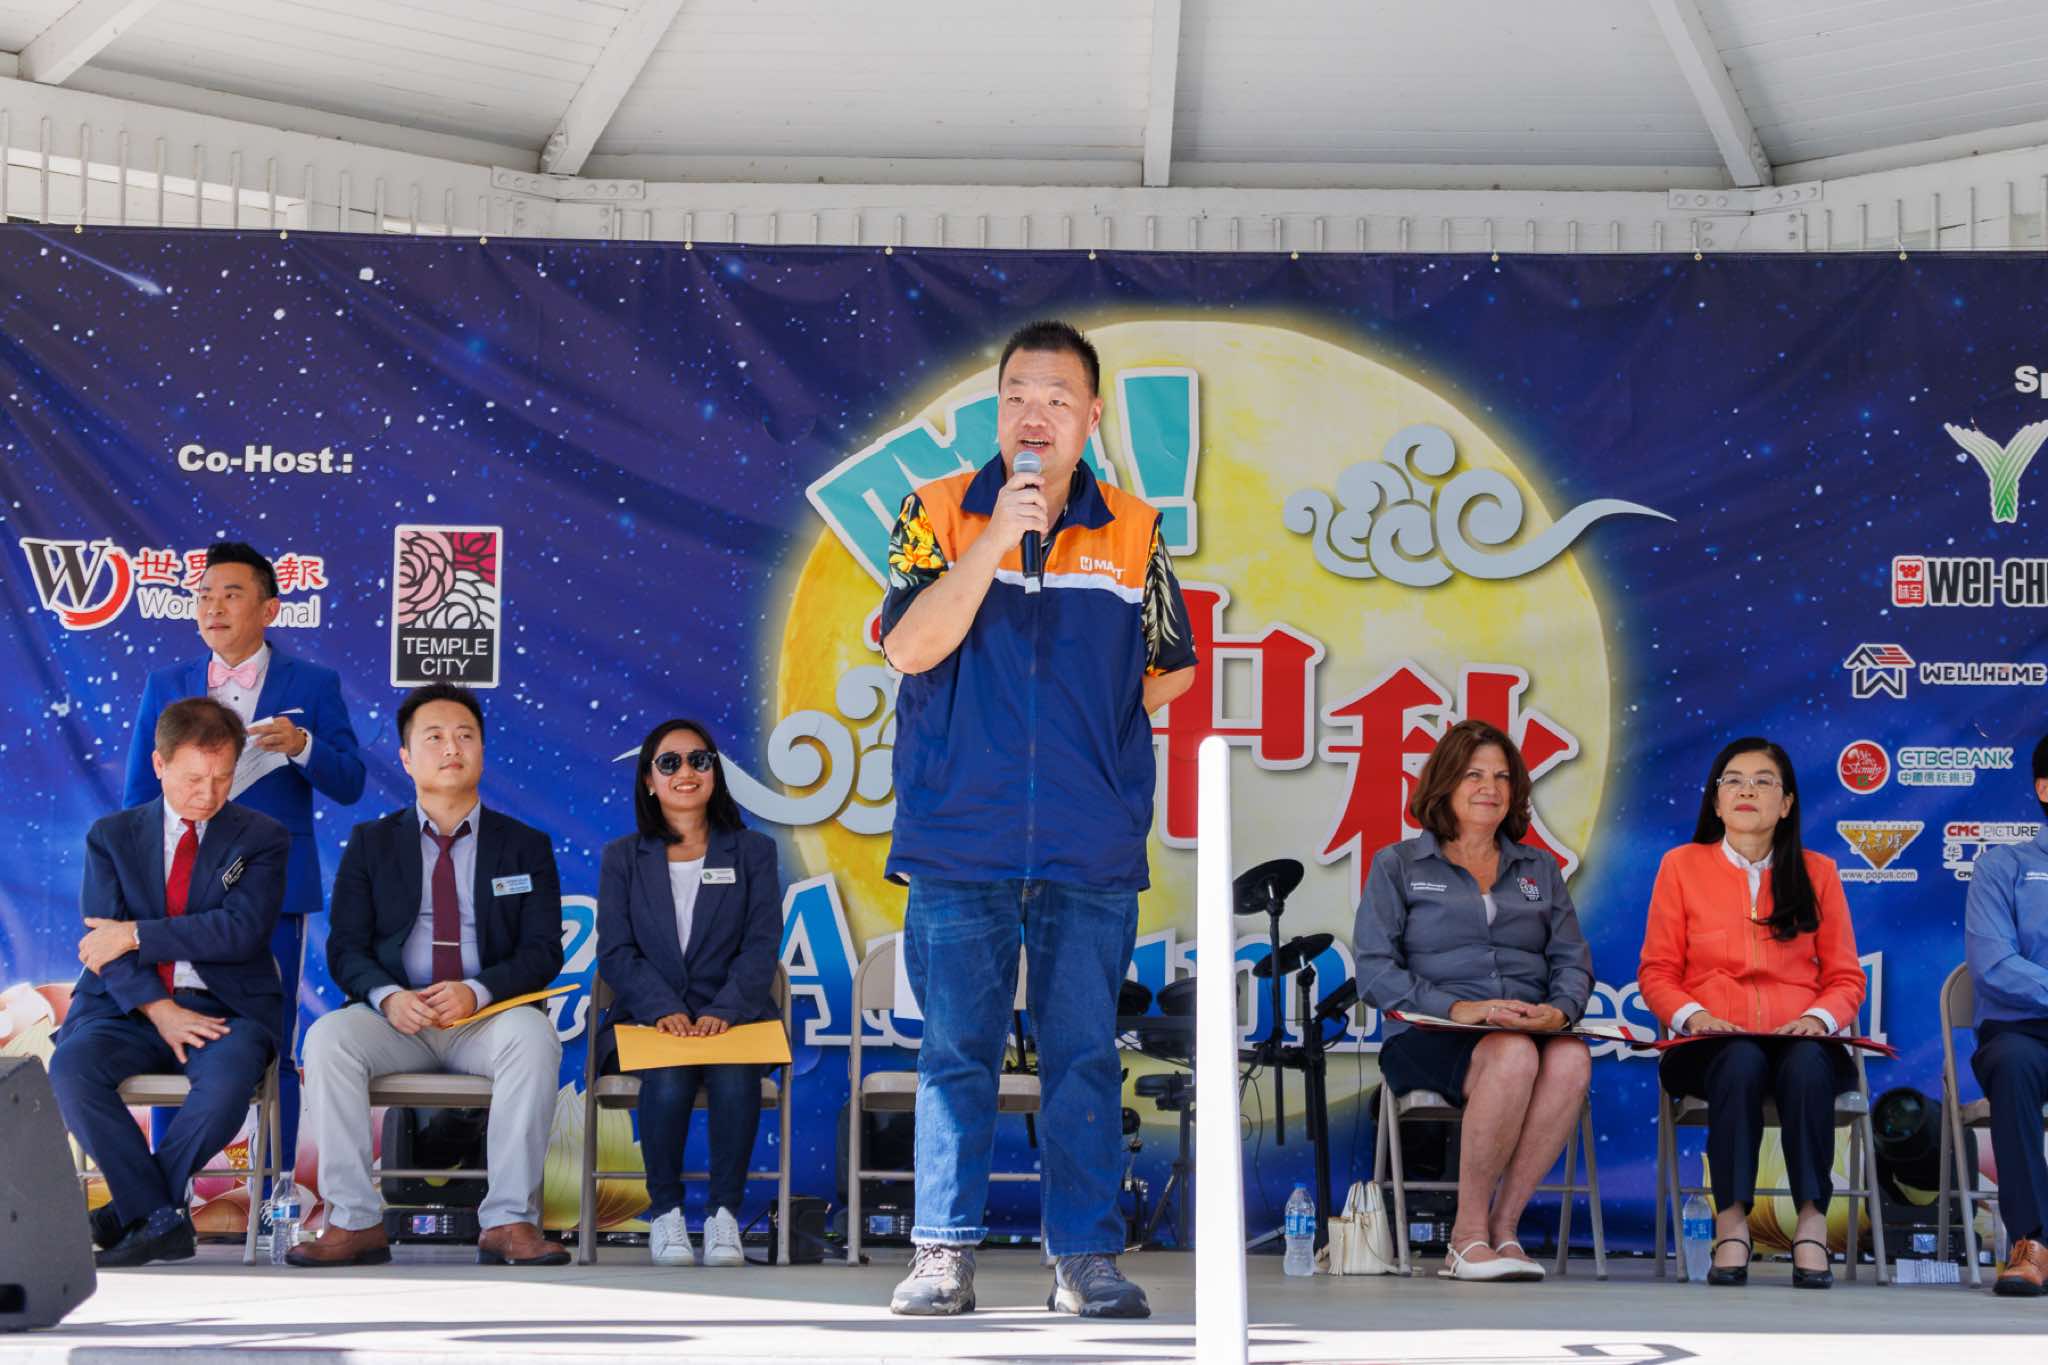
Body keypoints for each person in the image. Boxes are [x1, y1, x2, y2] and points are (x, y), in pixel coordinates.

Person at [878, 320, 1197, 1318]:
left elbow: (1171, 668)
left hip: (1086, 840)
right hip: (958, 834)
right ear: (996, 408)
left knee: (1083, 1056)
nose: (1034, 413)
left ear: (1091, 416)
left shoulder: (1134, 530)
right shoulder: (935, 510)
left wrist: (1088, 741)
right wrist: (991, 541)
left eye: (1057, 398)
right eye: (1017, 394)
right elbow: (909, 646)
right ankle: (942, 1253)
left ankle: (1085, 1260)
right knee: (955, 1052)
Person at [288, 683, 567, 1268]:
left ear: (482, 752)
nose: (452, 748)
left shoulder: (525, 846)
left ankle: (508, 1220)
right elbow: (346, 949)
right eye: (434, 737)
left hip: (485, 1019)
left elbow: (542, 952)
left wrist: (477, 991)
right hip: (398, 1021)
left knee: (534, 1036)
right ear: (407, 758)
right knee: (328, 1038)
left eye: (465, 736)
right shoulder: (371, 843)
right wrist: (389, 996)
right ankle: (354, 1221)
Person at [124, 541, 366, 1165]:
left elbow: (350, 782)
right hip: (178, 888)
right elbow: (138, 796)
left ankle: (277, 1192)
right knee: (174, 1035)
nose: (214, 607)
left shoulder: (312, 683)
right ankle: (169, 1197)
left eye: (231, 595)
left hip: (273, 888)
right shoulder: (165, 684)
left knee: (275, 1041)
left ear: (269, 609)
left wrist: (303, 745)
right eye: (204, 595)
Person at [50, 698, 290, 1266]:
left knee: (228, 1080)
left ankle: (138, 1212)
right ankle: (159, 1214)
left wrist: (136, 934)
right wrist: (159, 1009)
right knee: (72, 1069)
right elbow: (102, 949)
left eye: (222, 778)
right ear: (159, 765)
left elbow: (239, 933)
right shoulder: (111, 837)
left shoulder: (262, 837)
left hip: (224, 1007)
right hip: (125, 1007)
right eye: (193, 779)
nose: (208, 793)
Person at [1353, 718, 1594, 1283]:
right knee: (1512, 1053)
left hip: (1523, 1029)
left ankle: (1503, 1229)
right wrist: (1457, 1009)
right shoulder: (1398, 865)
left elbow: (1571, 960)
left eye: (1502, 777)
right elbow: (1375, 970)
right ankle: (1465, 1240)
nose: (1490, 788)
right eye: (1473, 775)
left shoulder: (1539, 868)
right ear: (1444, 784)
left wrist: (1559, 1011)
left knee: (1570, 1058)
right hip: (1429, 1034)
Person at [1638, 737, 1865, 1289]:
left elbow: (1846, 977)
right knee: (1739, 1059)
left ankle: (1810, 1222)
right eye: (1733, 781)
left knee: (1807, 1063)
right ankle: (1732, 1221)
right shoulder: (1681, 866)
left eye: (1764, 782)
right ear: (1716, 802)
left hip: (1796, 1041)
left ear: (1785, 804)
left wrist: (1817, 1020)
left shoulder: (1818, 872)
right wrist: (1694, 1016)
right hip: (1710, 1046)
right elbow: (1657, 972)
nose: (1747, 790)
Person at [596, 719, 783, 1268]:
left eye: (699, 760)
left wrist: (725, 1010)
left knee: (733, 1076)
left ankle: (724, 1217)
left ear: (715, 774)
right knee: (671, 1077)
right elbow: (617, 952)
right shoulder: (623, 857)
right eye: (669, 762)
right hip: (649, 1021)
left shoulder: (753, 852)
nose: (686, 772)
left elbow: (761, 945)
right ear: (649, 780)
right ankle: (667, 1216)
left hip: (735, 1019)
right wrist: (664, 1009)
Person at [1963, 732, 2048, 1296]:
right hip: (2022, 1033)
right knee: (2014, 1068)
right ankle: (2033, 1243)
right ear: (2045, 789)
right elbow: (1994, 965)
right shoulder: (2003, 867)